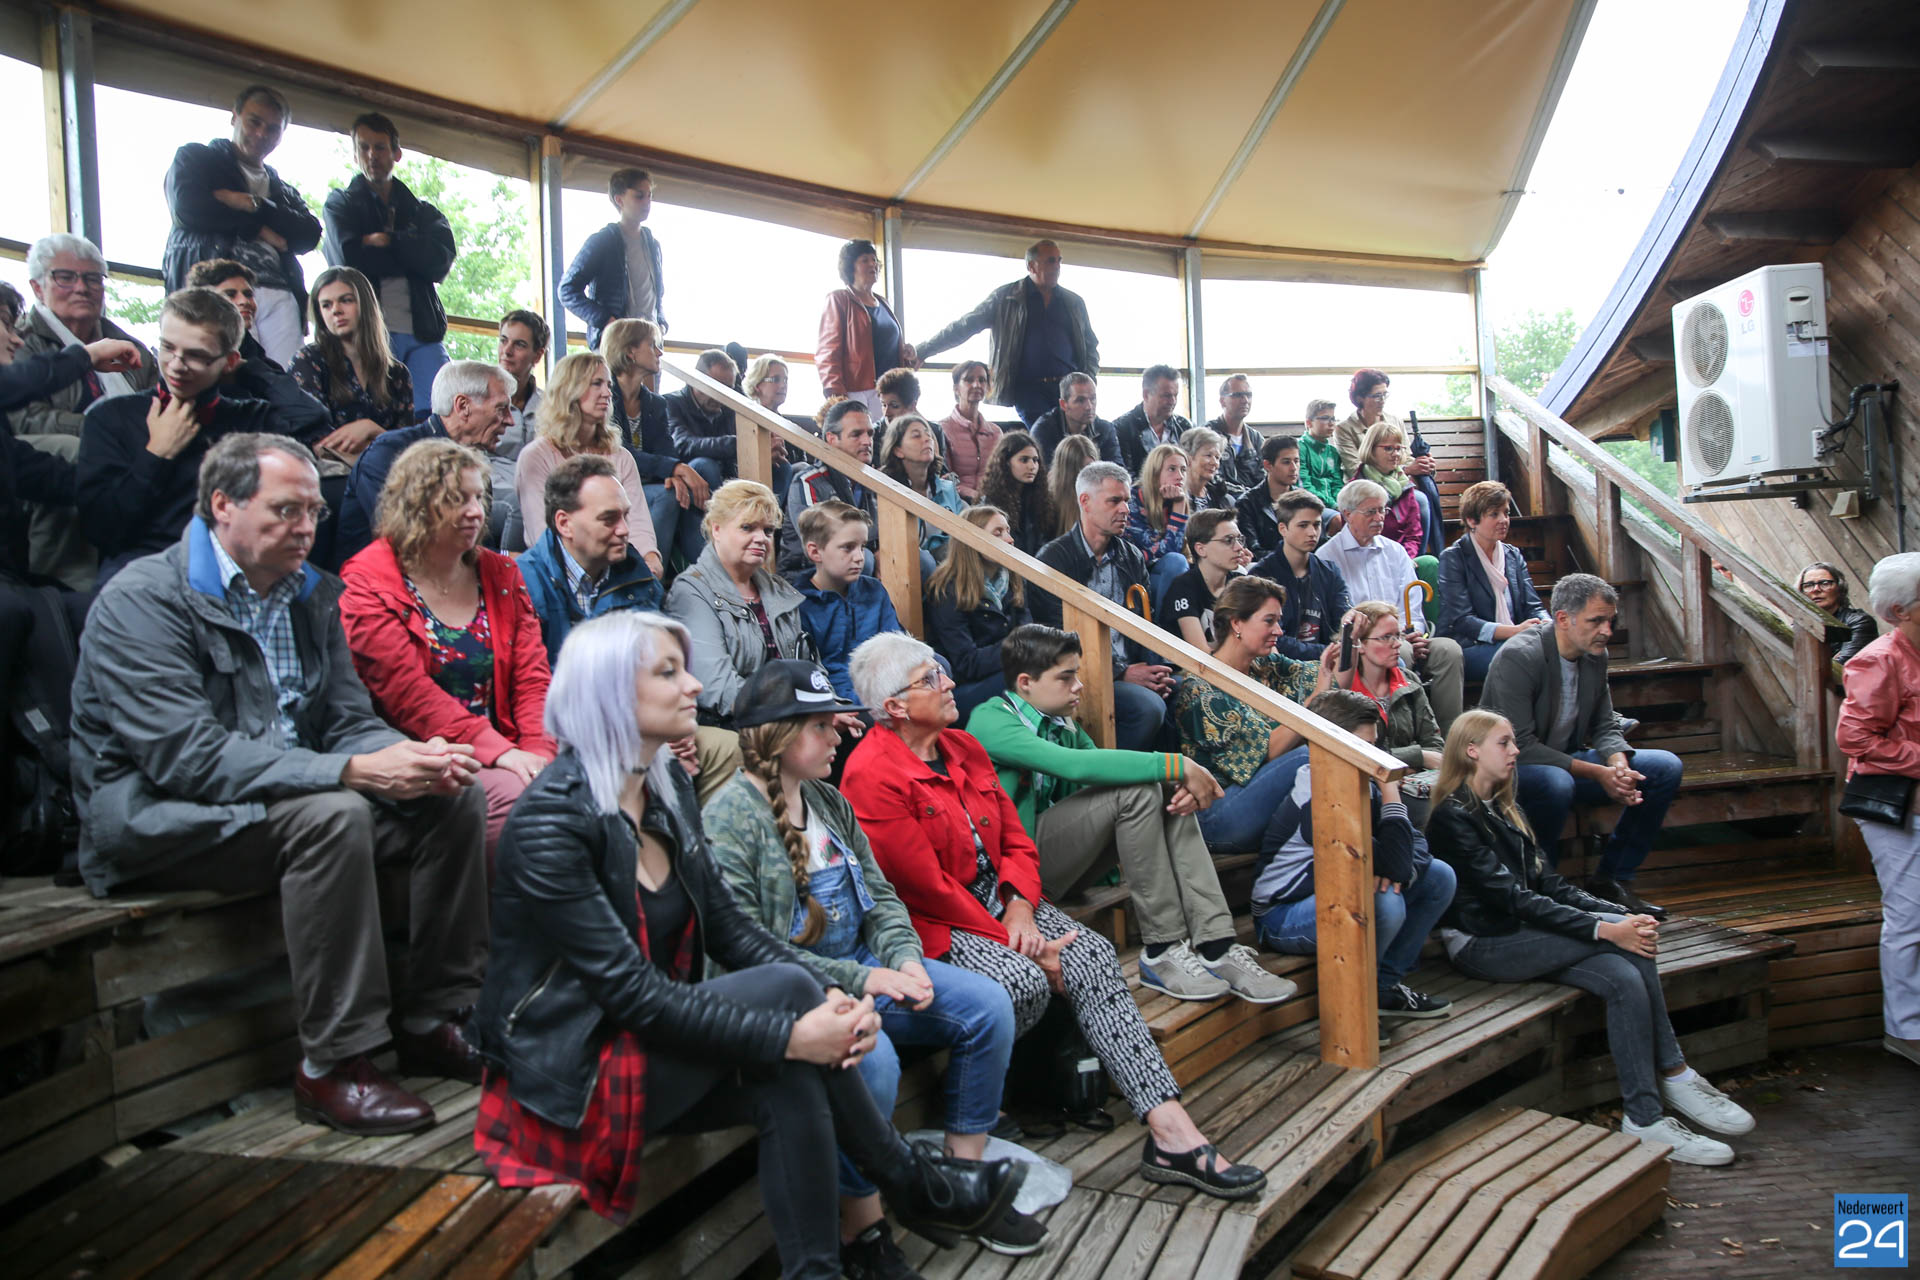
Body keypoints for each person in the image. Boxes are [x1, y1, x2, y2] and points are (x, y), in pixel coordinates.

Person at [473, 612, 1025, 1261]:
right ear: (609, 692)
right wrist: (794, 1032)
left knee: (796, 1048)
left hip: (655, 1039)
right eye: (669, 672)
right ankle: (909, 1184)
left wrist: (826, 1001)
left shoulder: (665, 791)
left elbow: (733, 932)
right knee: (798, 1040)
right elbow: (630, 995)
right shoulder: (552, 821)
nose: (693, 685)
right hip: (580, 1070)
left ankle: (837, 1254)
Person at [73, 432, 489, 1133]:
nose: (306, 528)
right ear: (223, 505)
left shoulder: (312, 594)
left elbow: (347, 722)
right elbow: (188, 759)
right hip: (161, 816)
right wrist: (349, 770)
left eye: (314, 512)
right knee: (332, 816)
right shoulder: (142, 601)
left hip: (288, 799)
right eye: (286, 511)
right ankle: (336, 1063)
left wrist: (410, 756)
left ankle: (433, 1018)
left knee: (454, 793)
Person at [842, 633, 1269, 1199]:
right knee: (1021, 978)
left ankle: (1173, 1133)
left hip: (1004, 897)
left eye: (942, 671)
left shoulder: (962, 747)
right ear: (895, 706)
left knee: (1092, 954)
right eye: (931, 678)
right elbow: (926, 888)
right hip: (937, 919)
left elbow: (1016, 841)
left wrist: (1022, 907)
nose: (950, 683)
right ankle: (972, 1106)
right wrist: (1015, 937)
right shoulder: (870, 774)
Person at [703, 660, 1042, 1266]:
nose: (839, 736)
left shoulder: (826, 800)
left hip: (866, 965)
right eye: (822, 727)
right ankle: (863, 1228)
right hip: (798, 994)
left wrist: (905, 958)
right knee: (874, 1062)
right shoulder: (730, 819)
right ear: (778, 735)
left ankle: (961, 1185)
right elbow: (751, 950)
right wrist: (868, 978)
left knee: (988, 1005)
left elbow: (881, 898)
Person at [1427, 709, 1754, 1164]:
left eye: (1513, 741)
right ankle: (1672, 1076)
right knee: (1625, 944)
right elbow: (1514, 900)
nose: (1516, 751)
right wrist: (1606, 928)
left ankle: (1646, 1115)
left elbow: (1551, 885)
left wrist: (1621, 913)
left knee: (1626, 969)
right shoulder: (1452, 816)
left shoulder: (1505, 806)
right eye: (1505, 743)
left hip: (1525, 932)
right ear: (1472, 751)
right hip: (1484, 942)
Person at [970, 625, 1292, 1004]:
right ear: (1025, 682)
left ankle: (1216, 943)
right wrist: (1177, 764)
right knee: (1142, 785)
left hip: (1060, 863)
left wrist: (1173, 780)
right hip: (1012, 877)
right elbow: (1073, 765)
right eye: (1066, 677)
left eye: (1077, 675)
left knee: (1162, 788)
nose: (1078, 686)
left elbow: (1102, 770)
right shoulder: (991, 719)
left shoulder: (1061, 722)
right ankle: (1162, 948)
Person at [340, 440, 554, 860]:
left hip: (509, 746)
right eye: (457, 500)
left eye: (478, 498)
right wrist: (503, 753)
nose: (476, 512)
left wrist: (538, 752)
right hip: (426, 753)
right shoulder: (369, 580)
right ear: (416, 505)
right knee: (520, 806)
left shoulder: (500, 572)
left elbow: (532, 679)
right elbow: (406, 695)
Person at [1479, 574, 1682, 918]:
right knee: (1556, 782)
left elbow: (1604, 723)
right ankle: (1539, 883)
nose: (1607, 630)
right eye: (1596, 621)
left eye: (1610, 621)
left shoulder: (1594, 654)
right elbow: (1521, 744)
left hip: (1567, 760)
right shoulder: (1519, 656)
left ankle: (1612, 879)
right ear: (1563, 619)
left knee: (1664, 768)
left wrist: (1618, 766)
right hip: (1512, 769)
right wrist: (1599, 773)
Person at [1253, 689, 1454, 1021]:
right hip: (1282, 914)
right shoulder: (1319, 792)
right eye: (1365, 747)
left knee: (1439, 877)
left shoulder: (1360, 778)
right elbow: (1394, 860)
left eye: (1375, 745)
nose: (1375, 756)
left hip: (1332, 895)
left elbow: (1414, 846)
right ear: (1331, 746)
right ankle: (1357, 1007)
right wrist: (1390, 790)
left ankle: (1383, 988)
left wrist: (1398, 869)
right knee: (1384, 904)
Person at [75, 287, 293, 585]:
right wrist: (156, 455)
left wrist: (251, 371)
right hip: (141, 570)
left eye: (196, 355)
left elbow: (312, 419)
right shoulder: (111, 416)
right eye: (168, 348)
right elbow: (101, 531)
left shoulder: (254, 418)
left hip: (232, 566)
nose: (176, 365)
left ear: (229, 362)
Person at [13, 234, 159, 587]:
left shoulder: (131, 346)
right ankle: (71, 589)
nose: (82, 288)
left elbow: (161, 404)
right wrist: (109, 433)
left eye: (93, 278)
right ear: (37, 287)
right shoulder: (21, 344)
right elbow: (25, 419)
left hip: (137, 447)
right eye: (65, 277)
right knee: (84, 455)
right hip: (63, 455)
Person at [1172, 576, 1338, 853]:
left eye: (1278, 621)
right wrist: (1314, 700)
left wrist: (1352, 642)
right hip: (1217, 814)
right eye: (1269, 621)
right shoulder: (1201, 690)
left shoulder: (1264, 663)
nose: (1279, 631)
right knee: (1310, 757)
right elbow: (1269, 751)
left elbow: (1328, 676)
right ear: (1236, 623)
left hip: (1261, 797)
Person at [161, 86, 322, 368]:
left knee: (288, 378)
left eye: (273, 129)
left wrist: (249, 203)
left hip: (280, 293)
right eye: (254, 122)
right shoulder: (197, 158)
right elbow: (188, 207)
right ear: (234, 117)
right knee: (224, 374)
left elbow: (309, 234)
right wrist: (261, 231)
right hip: (218, 289)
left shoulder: (282, 189)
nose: (261, 134)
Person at [1833, 553, 1920, 1067]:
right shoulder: (1879, 660)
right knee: (1911, 916)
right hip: (1898, 807)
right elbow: (1855, 738)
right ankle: (1906, 1031)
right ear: (1899, 611)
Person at [320, 113, 456, 419]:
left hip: (422, 331)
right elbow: (349, 261)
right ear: (355, 153)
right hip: (367, 331)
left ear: (396, 153)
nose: (372, 155)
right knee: (373, 415)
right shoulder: (340, 204)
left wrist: (388, 241)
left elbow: (439, 263)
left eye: (380, 147)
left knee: (439, 413)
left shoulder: (422, 212)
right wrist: (412, 251)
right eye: (364, 147)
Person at [1031, 461, 1173, 753]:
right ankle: (1103, 775)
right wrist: (1121, 672)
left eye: (1127, 501)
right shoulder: (1053, 559)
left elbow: (1146, 623)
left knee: (1185, 691)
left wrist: (1157, 669)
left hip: (1129, 667)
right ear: (1085, 502)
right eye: (1114, 501)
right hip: (1078, 673)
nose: (1125, 509)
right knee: (1148, 708)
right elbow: (1056, 635)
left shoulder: (1131, 556)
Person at [1317, 478, 1464, 730]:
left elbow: (1412, 601)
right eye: (1370, 511)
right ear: (1347, 514)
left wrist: (1413, 633)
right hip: (1362, 644)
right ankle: (1400, 732)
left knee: (1449, 651)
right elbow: (1338, 618)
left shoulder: (1395, 551)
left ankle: (1449, 736)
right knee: (1400, 651)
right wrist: (1394, 639)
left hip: (1403, 636)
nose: (1379, 518)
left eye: (1382, 510)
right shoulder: (1327, 557)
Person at [668, 480, 818, 726]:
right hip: (732, 722)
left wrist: (830, 706)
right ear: (716, 529)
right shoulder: (691, 590)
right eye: (747, 528)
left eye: (768, 531)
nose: (761, 538)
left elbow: (810, 668)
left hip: (790, 715)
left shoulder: (779, 590)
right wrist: (797, 713)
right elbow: (717, 686)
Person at [335, 360, 513, 562]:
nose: (510, 420)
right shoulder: (389, 453)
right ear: (463, 406)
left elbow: (478, 547)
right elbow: (409, 543)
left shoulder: (475, 468)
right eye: (501, 408)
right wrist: (506, 559)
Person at [915, 240, 1098, 428]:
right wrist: (922, 351)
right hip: (1029, 391)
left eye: (1059, 260)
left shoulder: (1074, 302)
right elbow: (964, 326)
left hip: (1070, 389)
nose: (1057, 266)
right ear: (1031, 266)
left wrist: (1089, 382)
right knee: (1046, 438)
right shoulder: (1005, 298)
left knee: (1082, 439)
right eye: (1051, 261)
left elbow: (1091, 346)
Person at [515, 351, 662, 578]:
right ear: (569, 389)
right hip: (557, 574)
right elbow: (541, 535)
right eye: (596, 384)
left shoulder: (621, 456)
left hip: (618, 567)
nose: (608, 393)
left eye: (608, 385)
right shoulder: (536, 456)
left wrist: (650, 558)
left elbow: (638, 522)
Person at [518, 453, 664, 660]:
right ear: (564, 524)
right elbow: (526, 673)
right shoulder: (521, 585)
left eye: (625, 516)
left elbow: (657, 662)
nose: (624, 530)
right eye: (609, 519)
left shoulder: (640, 578)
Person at [185, 259, 331, 446]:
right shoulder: (192, 363)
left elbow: (312, 415)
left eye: (248, 294)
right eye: (230, 294)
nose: (244, 301)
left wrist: (248, 366)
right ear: (203, 304)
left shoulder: (255, 357)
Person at [606, 318, 709, 570]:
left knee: (683, 491)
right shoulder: (604, 396)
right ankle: (649, 575)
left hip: (650, 483)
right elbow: (620, 453)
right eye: (653, 345)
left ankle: (708, 574)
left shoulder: (656, 403)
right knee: (671, 494)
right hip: (615, 483)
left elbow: (666, 449)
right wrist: (675, 469)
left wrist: (673, 474)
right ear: (630, 351)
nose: (659, 352)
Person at [290, 266, 415, 462]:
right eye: (326, 305)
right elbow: (318, 445)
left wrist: (370, 428)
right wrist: (383, 443)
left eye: (346, 300)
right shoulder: (307, 360)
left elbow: (407, 450)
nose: (336, 310)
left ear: (365, 305)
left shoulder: (397, 373)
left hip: (390, 474)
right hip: (328, 474)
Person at [926, 505, 1034, 719]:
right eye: (998, 533)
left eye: (1008, 531)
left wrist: (1026, 645)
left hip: (1007, 671)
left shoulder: (1013, 579)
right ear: (972, 540)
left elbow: (1028, 632)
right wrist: (1018, 647)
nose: (1010, 539)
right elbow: (966, 663)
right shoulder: (947, 589)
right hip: (964, 688)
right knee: (1033, 677)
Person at [1437, 480, 1550, 682]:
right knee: (1521, 657)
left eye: (1506, 513)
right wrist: (1514, 632)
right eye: (1494, 514)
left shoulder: (1513, 555)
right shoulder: (1453, 557)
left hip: (1516, 640)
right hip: (1470, 646)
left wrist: (1547, 624)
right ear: (1472, 520)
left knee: (1563, 648)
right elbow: (1462, 620)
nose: (1504, 520)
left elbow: (1533, 606)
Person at [793, 501, 903, 704]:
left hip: (884, 687)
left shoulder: (874, 590)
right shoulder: (798, 605)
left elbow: (896, 646)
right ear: (815, 552)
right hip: (837, 700)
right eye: (848, 548)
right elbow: (809, 673)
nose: (860, 557)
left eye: (863, 547)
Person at [558, 167, 666, 350]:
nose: (647, 202)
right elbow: (567, 290)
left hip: (649, 343)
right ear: (619, 200)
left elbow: (657, 294)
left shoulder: (653, 245)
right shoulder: (602, 241)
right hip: (615, 345)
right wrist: (607, 321)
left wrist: (661, 323)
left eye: (650, 196)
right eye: (639, 196)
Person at [1336, 370, 1441, 558]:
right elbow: (1353, 466)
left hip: (1398, 481)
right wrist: (1408, 469)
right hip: (1366, 485)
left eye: (1385, 394)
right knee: (1418, 501)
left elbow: (1405, 455)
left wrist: (1423, 465)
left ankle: (1415, 558)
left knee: (1420, 500)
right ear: (1360, 398)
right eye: (1377, 396)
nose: (1382, 400)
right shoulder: (1345, 428)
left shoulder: (1394, 421)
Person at [1338, 602, 1443, 773]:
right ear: (1360, 644)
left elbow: (1435, 746)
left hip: (1415, 781)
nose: (1397, 644)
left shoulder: (1409, 681)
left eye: (1398, 635)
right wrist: (1419, 756)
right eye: (1386, 637)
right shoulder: (1343, 691)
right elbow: (1357, 755)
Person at [1251, 489, 1351, 663]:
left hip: (1330, 662)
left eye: (1317, 525)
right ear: (1283, 528)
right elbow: (1273, 638)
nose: (1312, 532)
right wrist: (1328, 651)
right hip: (1283, 664)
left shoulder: (1329, 571)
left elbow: (1344, 622)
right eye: (1303, 525)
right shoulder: (1262, 575)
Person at [781, 399, 879, 575]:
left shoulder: (875, 482)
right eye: (856, 434)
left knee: (918, 559)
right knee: (864, 559)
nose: (867, 441)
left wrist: (880, 550)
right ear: (832, 439)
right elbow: (818, 540)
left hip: (854, 564)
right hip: (805, 575)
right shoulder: (808, 481)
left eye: (870, 434)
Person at [816, 239, 912, 418]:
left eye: (874, 259)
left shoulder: (884, 302)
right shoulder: (839, 299)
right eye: (865, 260)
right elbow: (827, 353)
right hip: (858, 393)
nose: (872, 264)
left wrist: (906, 354)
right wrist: (837, 397)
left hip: (893, 392)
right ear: (851, 267)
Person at [877, 413, 966, 578]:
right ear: (898, 450)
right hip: (909, 573)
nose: (927, 439)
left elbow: (966, 532)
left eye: (928, 434)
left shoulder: (948, 489)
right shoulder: (885, 491)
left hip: (952, 567)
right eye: (916, 436)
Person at [491, 310, 548, 546]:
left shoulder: (549, 405)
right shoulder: (479, 399)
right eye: (503, 340)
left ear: (538, 355)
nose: (507, 351)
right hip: (492, 492)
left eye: (519, 344)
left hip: (540, 491)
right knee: (523, 505)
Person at [1156, 508, 1248, 651]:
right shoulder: (1183, 587)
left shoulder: (1239, 581)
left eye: (1239, 539)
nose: (1239, 547)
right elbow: (1200, 653)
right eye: (1228, 540)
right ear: (1201, 549)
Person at [1353, 419, 1433, 573]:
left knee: (1430, 563)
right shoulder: (1357, 489)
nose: (1396, 454)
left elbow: (1414, 534)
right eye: (1388, 448)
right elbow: (1356, 538)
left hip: (1403, 558)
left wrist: (1405, 558)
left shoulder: (1404, 485)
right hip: (1368, 562)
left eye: (1398, 448)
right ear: (1371, 449)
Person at [1126, 443, 1193, 608]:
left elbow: (1184, 549)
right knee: (1176, 562)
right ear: (1155, 473)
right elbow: (1165, 552)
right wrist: (1179, 509)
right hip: (1136, 577)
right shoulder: (1132, 499)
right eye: (1172, 469)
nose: (1180, 476)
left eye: (1183, 470)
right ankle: (1162, 623)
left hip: (1165, 573)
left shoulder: (1177, 499)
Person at [1234, 434, 1314, 557]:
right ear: (1268, 465)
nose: (1294, 468)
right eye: (1286, 462)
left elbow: (1318, 543)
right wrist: (1293, 557)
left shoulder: (1305, 500)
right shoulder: (1247, 503)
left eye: (1296, 461)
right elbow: (1253, 550)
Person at [978, 430, 1053, 559]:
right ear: (1006, 462)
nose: (1032, 466)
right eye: (1024, 460)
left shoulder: (1039, 497)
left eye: (1035, 460)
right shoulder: (990, 503)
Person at [1030, 371, 1123, 468]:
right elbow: (1044, 473)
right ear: (1063, 404)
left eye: (1093, 399)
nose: (1089, 406)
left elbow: (1117, 469)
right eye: (1080, 400)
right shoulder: (1044, 430)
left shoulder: (1105, 429)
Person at [1115, 366, 1192, 477]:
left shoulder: (1184, 426)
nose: (1173, 401)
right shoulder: (1122, 428)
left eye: (1176, 395)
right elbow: (1125, 476)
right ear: (1146, 394)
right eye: (1167, 395)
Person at [941, 361, 1001, 502]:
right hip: (957, 504)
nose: (976, 385)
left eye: (982, 380)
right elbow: (944, 480)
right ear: (956, 388)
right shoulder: (943, 429)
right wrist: (976, 496)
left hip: (992, 503)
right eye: (969, 380)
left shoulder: (996, 432)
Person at [1802, 560, 1878, 670]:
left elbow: (1842, 668)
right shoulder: (1800, 625)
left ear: (1839, 588)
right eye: (1809, 585)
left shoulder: (1858, 621)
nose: (1816, 589)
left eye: (1825, 583)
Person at [1204, 374, 1265, 491]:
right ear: (1222, 401)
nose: (1245, 400)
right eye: (1238, 395)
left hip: (1254, 499)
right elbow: (1210, 479)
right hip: (1220, 498)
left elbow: (1265, 476)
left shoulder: (1256, 438)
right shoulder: (1208, 434)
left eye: (1248, 395)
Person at [1044, 433, 1099, 538]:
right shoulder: (1048, 500)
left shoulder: (1101, 495)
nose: (1089, 475)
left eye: (1092, 468)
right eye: (1081, 469)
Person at [1297, 399, 1346, 514]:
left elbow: (1337, 483)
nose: (1331, 423)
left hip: (1334, 506)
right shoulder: (1299, 448)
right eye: (1325, 418)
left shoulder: (1332, 452)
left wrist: (1340, 504)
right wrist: (1333, 505)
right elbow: (1303, 485)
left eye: (1333, 419)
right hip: (1308, 504)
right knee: (1338, 519)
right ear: (1309, 423)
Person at [1180, 426, 1243, 510]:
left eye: (1217, 457)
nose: (1215, 462)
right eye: (1208, 455)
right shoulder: (1176, 496)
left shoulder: (1221, 498)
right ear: (1188, 458)